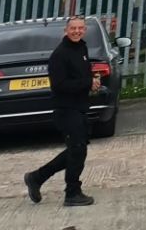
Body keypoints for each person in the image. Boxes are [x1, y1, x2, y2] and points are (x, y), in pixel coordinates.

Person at [23, 17, 97, 207]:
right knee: (78, 150)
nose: (77, 31)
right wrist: (87, 83)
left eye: (80, 28)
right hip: (65, 109)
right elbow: (59, 85)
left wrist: (92, 82)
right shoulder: (60, 54)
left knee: (76, 150)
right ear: (66, 30)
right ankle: (72, 193)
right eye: (73, 28)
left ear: (84, 30)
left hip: (80, 107)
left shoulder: (82, 48)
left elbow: (82, 75)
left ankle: (36, 178)